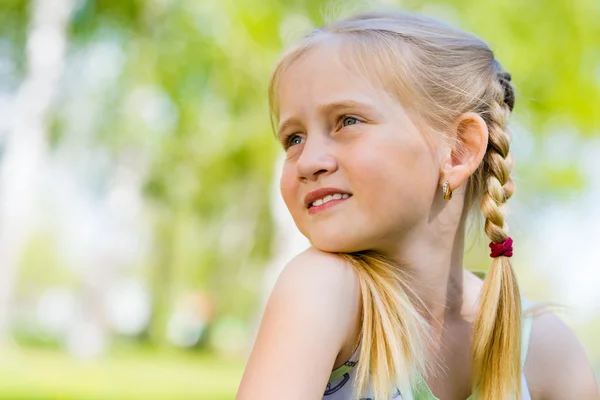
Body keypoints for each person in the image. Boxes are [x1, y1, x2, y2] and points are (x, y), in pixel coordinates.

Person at [236, 9, 599, 400]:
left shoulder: (545, 349)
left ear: (458, 151)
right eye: (294, 138)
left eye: (348, 121)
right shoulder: (323, 286)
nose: (307, 161)